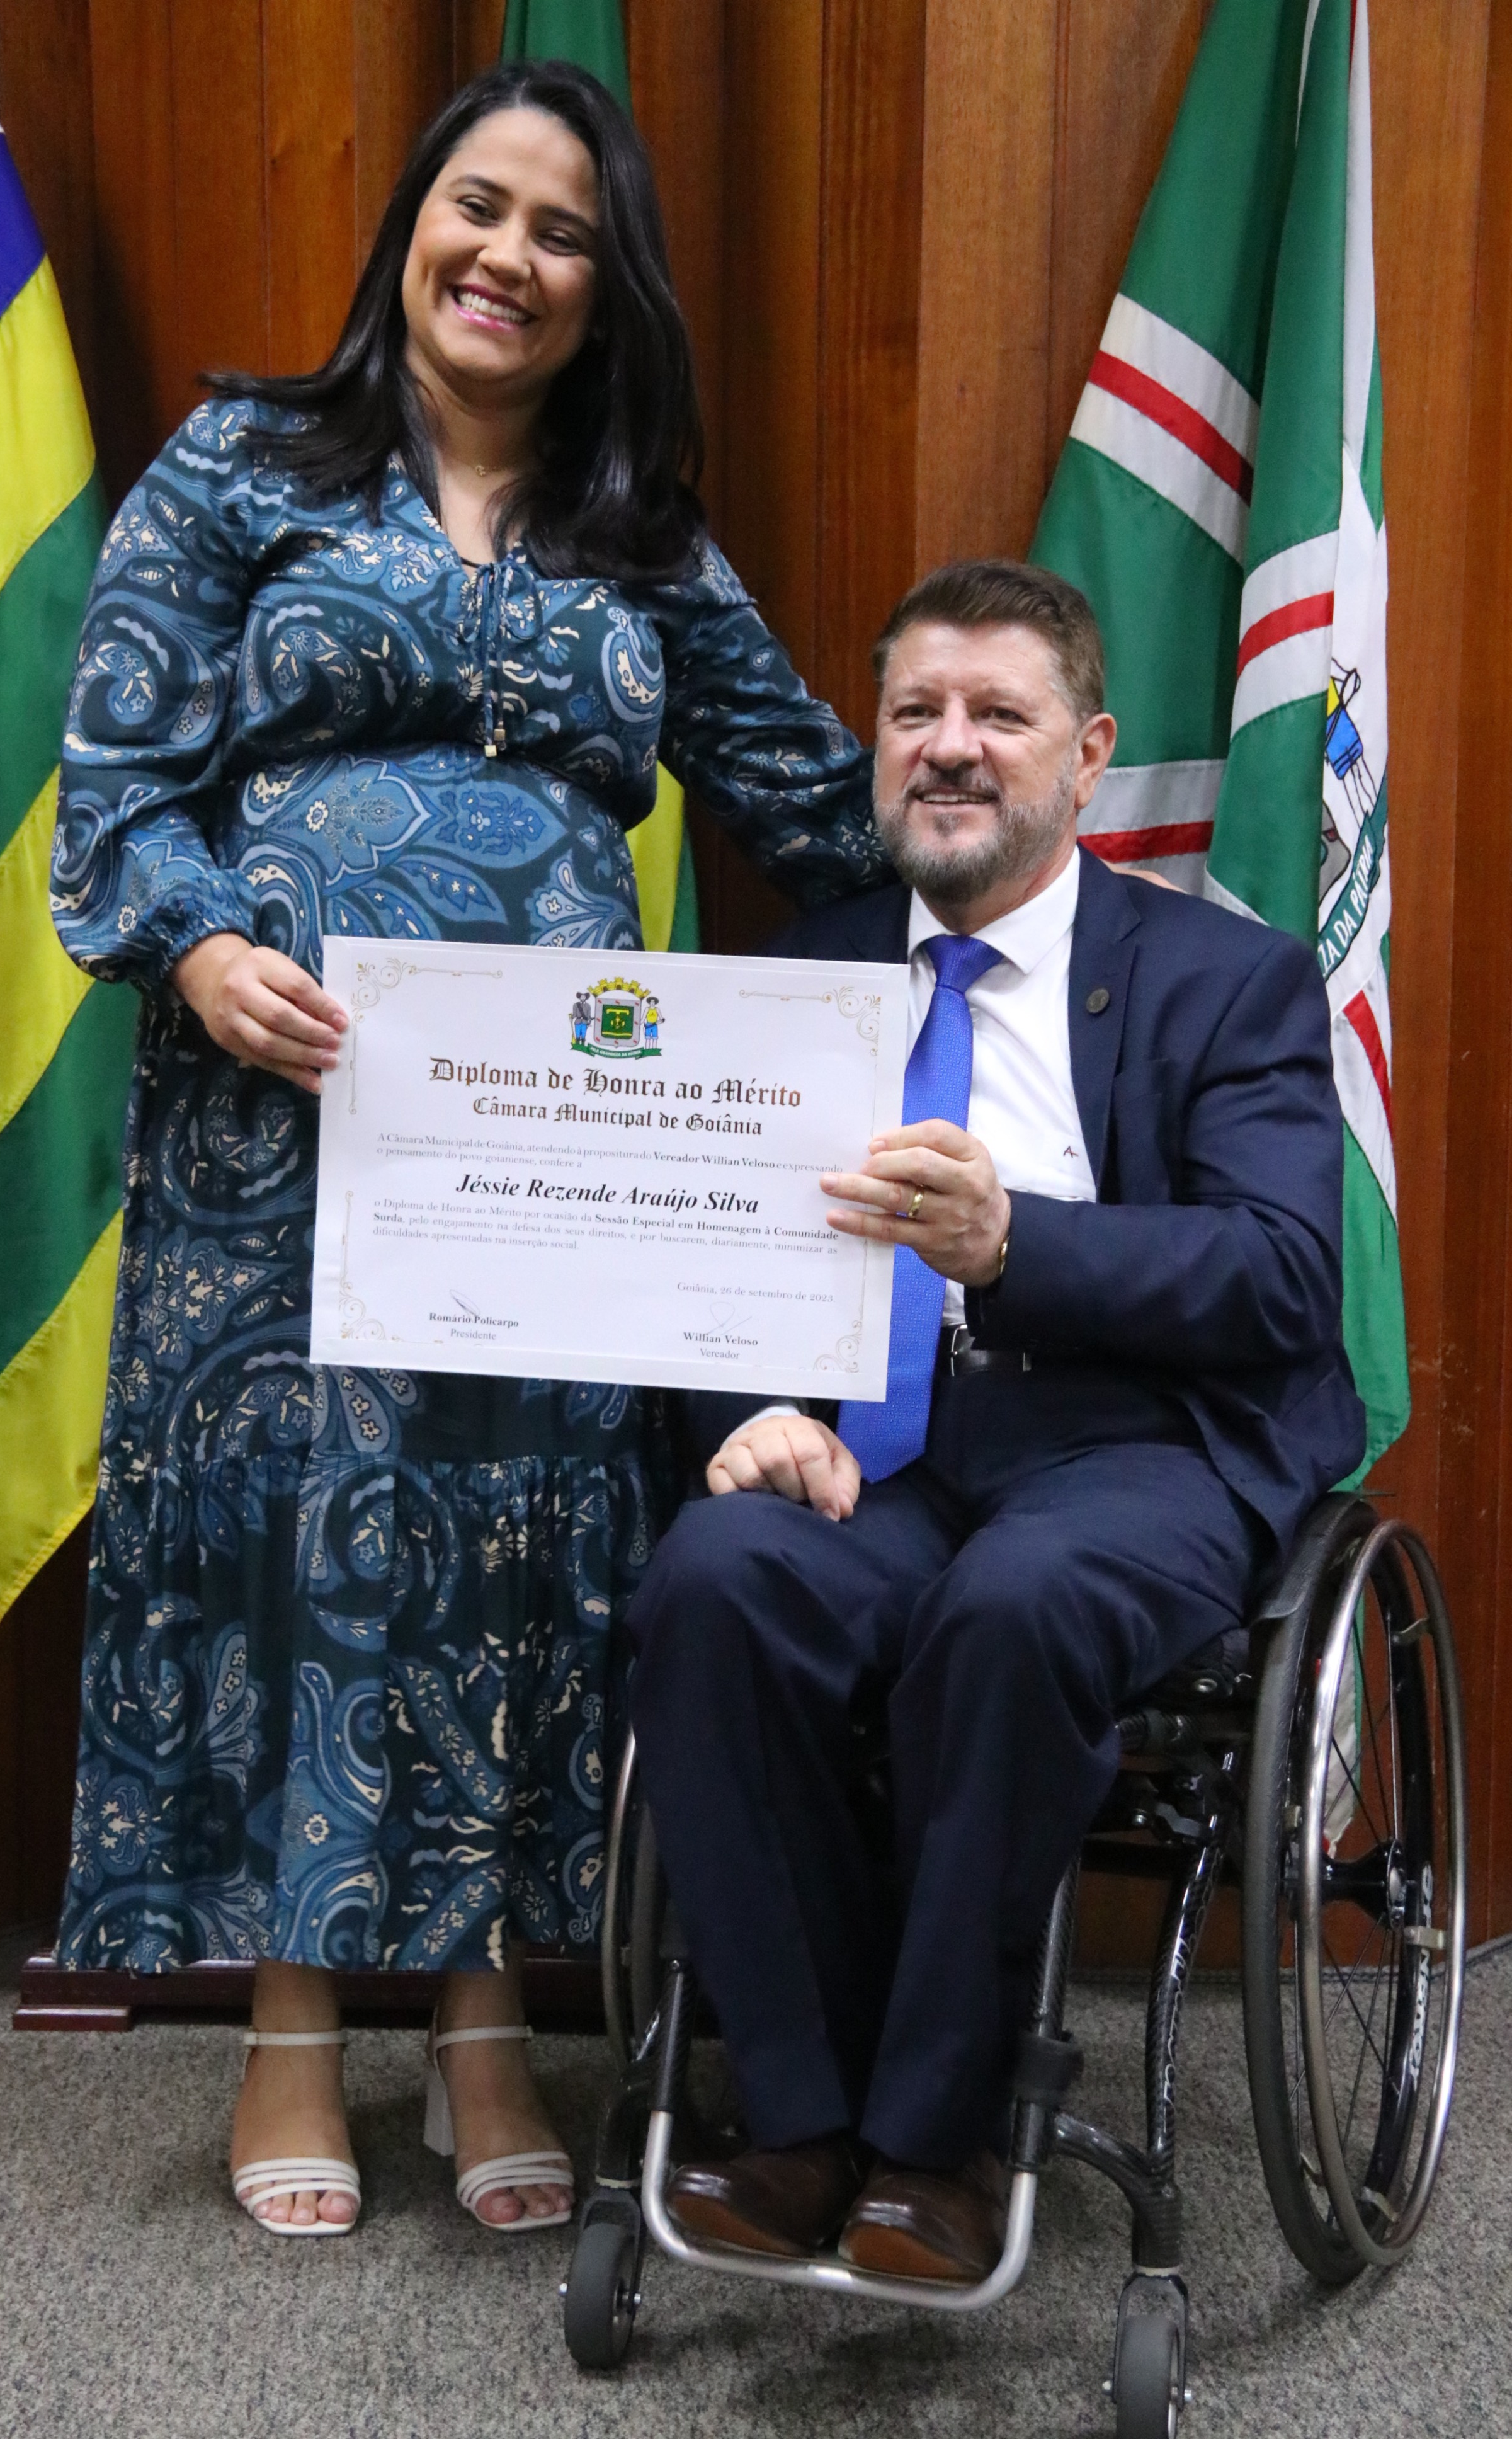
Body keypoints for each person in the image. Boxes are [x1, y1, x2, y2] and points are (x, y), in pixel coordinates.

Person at [48, 59, 884, 2240]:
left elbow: (823, 808)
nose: (511, 256)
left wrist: (1071, 893)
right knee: (304, 1539)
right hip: (281, 1134)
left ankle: (487, 2016)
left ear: (613, 291)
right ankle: (291, 2029)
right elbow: (114, 784)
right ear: (411, 225)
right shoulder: (244, 464)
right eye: (479, 207)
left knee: (518, 1546)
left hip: (562, 1161)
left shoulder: (645, 541)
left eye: (565, 234)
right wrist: (200, 944)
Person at [627, 559, 1366, 2282]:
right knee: (714, 1581)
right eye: (915, 712)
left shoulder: (1225, 980)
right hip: (876, 1450)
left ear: (1087, 757)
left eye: (997, 715)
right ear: (878, 747)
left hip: (1140, 1451)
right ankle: (801, 2120)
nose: (949, 746)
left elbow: (1279, 1277)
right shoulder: (797, 977)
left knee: (1014, 1609)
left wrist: (1013, 1243)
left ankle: (938, 2140)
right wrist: (753, 1407)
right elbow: (695, 1245)